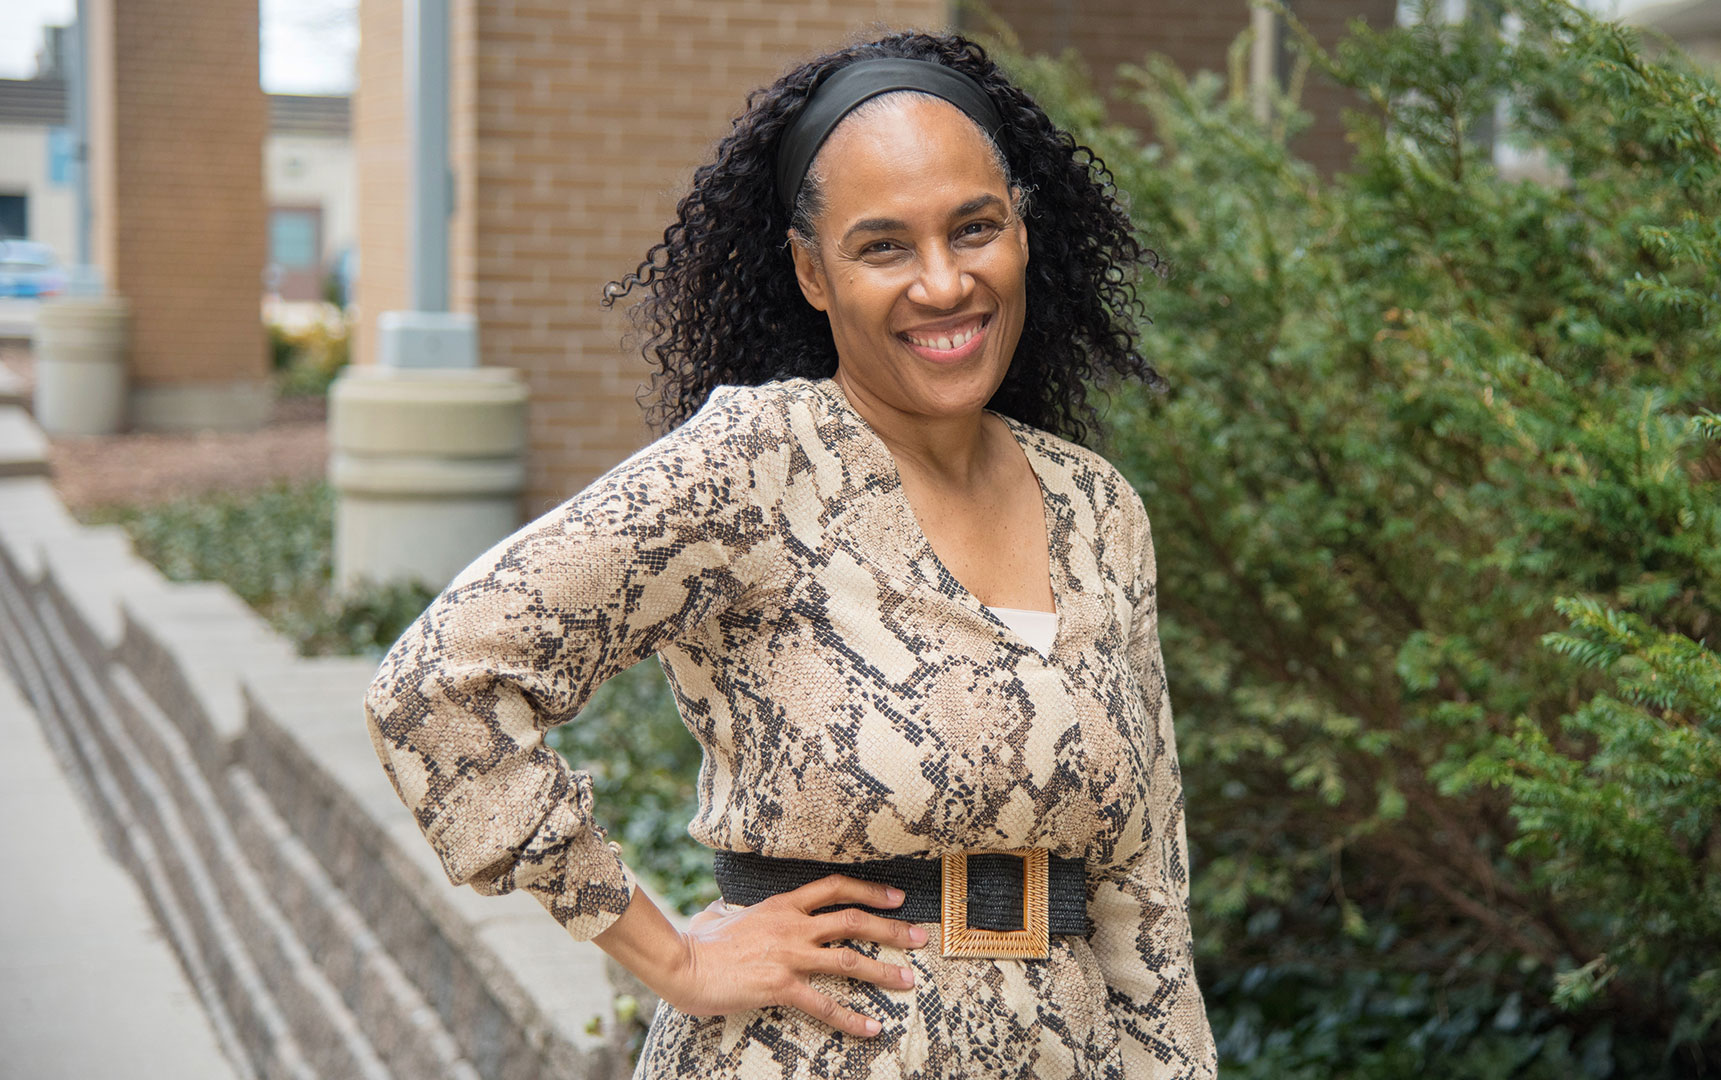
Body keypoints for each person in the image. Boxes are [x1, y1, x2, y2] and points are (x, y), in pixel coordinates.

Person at [363, 28, 1216, 1079]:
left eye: (974, 228)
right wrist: (673, 958)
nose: (944, 282)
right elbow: (436, 686)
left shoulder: (1096, 508)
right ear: (813, 273)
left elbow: (1144, 889)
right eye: (883, 246)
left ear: (1023, 230)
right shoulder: (759, 465)